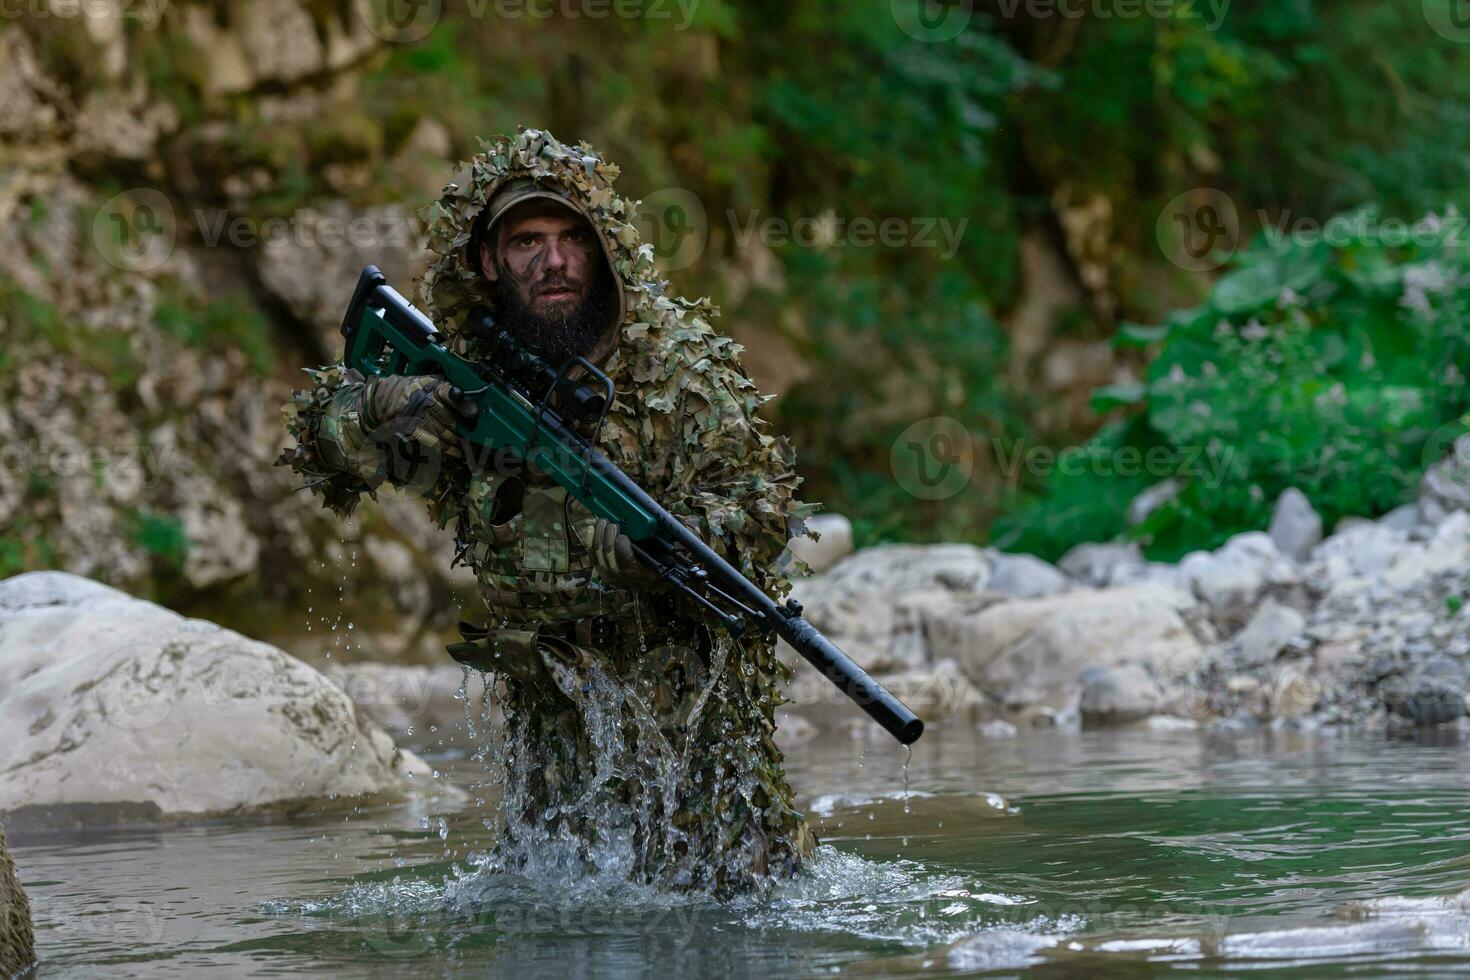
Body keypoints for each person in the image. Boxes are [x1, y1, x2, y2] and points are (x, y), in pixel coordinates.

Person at [280, 128, 817, 895]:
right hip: (550, 765)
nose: (554, 260)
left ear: (604, 250)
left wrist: (645, 547)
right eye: (527, 240)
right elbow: (322, 457)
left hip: (702, 771)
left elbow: (762, 514)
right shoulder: (466, 379)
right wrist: (376, 410)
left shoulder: (684, 372)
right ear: (488, 261)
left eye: (573, 238)